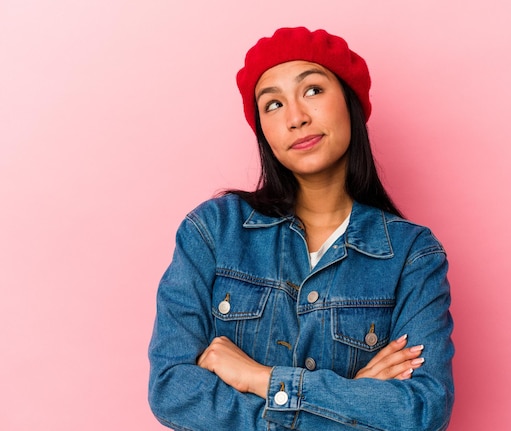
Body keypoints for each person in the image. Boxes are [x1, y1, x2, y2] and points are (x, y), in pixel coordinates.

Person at [148, 27, 454, 431]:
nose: (296, 118)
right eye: (273, 104)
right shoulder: (213, 230)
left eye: (312, 90)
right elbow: (172, 391)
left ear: (350, 102)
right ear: (263, 131)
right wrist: (350, 399)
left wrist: (262, 379)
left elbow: (423, 411)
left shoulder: (413, 254)